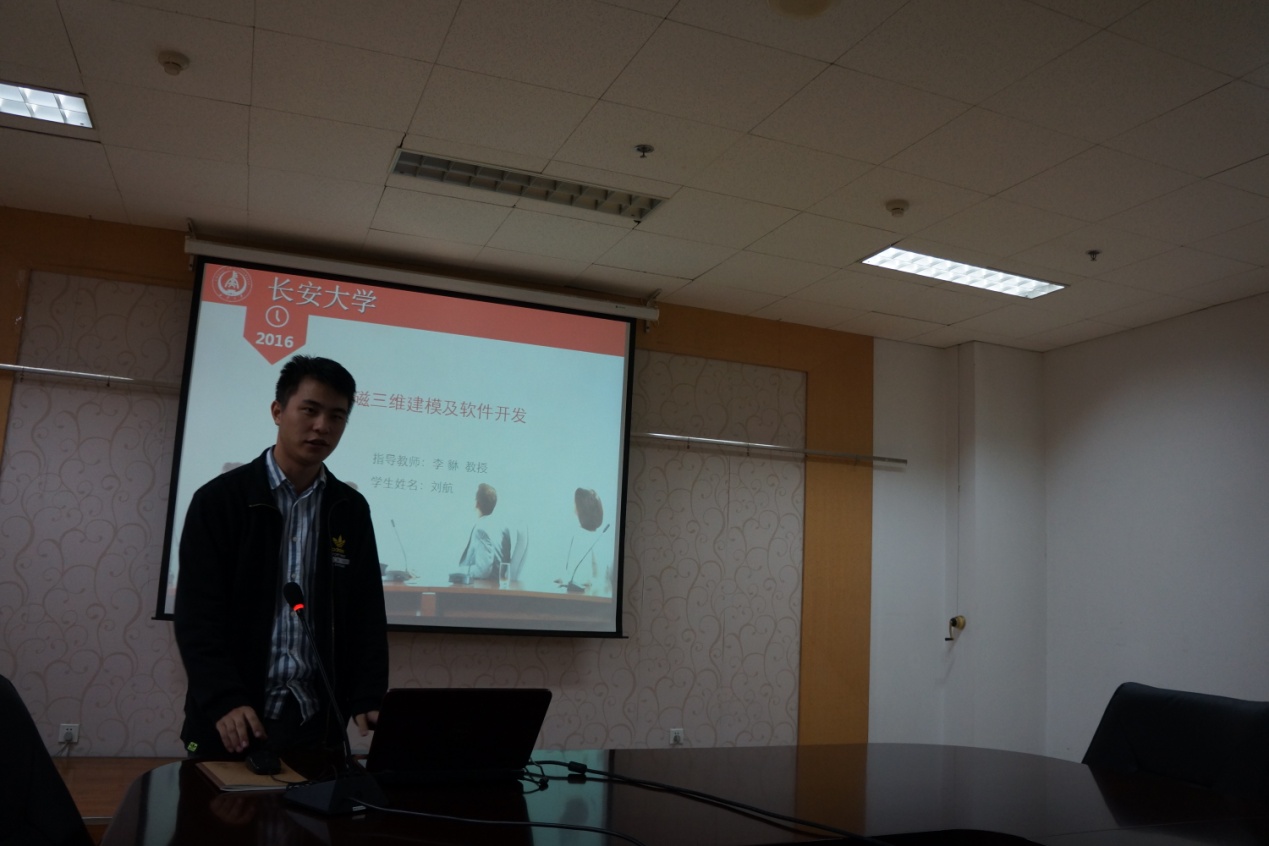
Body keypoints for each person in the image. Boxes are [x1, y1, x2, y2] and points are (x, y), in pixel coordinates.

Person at [174, 355, 388, 759]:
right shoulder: (220, 501)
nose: (322, 426)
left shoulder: (349, 508)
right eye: (310, 410)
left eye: (337, 416)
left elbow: (366, 611)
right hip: (234, 720)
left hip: (316, 722)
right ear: (277, 411)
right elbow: (196, 616)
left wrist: (368, 694)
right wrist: (224, 698)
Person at [456, 482, 509, 580]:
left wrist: (458, 571)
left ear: (477, 504)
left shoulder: (481, 529)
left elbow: (482, 571)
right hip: (497, 583)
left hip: (483, 585)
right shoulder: (502, 527)